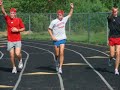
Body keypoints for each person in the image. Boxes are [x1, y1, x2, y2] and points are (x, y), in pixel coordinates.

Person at [0, 0, 25, 74]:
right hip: (10, 40)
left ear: (15, 14)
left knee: (17, 54)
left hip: (17, 40)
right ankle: (14, 67)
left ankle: (20, 60)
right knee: (11, 55)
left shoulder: (18, 20)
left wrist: (17, 30)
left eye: (13, 13)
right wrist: (1, 5)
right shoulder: (7, 18)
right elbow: (3, 12)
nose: (11, 14)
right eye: (11, 13)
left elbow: (23, 28)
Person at [48, 3, 74, 74]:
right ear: (57, 15)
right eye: (59, 15)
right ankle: (56, 62)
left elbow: (70, 14)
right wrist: (52, 37)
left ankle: (60, 67)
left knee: (62, 52)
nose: (60, 16)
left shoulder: (64, 19)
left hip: (63, 39)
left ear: (62, 15)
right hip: (56, 39)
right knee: (57, 54)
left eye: (61, 15)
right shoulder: (54, 22)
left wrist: (72, 8)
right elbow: (49, 29)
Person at [107, 6, 120, 75]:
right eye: (114, 11)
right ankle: (110, 59)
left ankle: (116, 69)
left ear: (118, 11)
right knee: (112, 54)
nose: (115, 12)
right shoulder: (110, 18)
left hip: (118, 38)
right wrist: (111, 12)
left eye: (116, 11)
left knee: (118, 53)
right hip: (112, 38)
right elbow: (108, 16)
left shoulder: (119, 18)